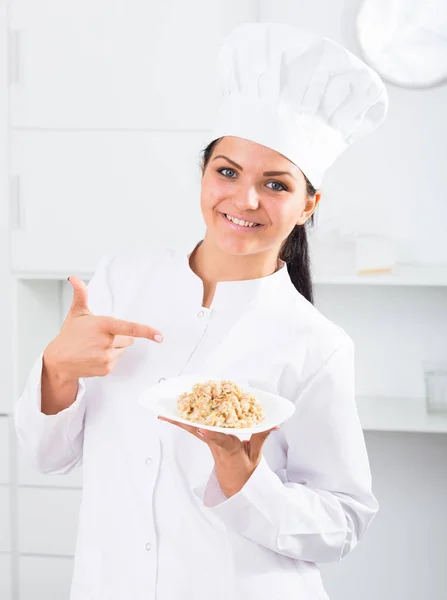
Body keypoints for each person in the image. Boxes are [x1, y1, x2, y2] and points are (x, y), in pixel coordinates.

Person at [14, 22, 388, 600]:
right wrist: (57, 370)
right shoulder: (123, 279)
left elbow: (344, 521)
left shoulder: (316, 342)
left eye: (276, 184)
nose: (245, 200)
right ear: (204, 173)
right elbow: (45, 456)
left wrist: (246, 482)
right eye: (228, 172)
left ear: (309, 203)